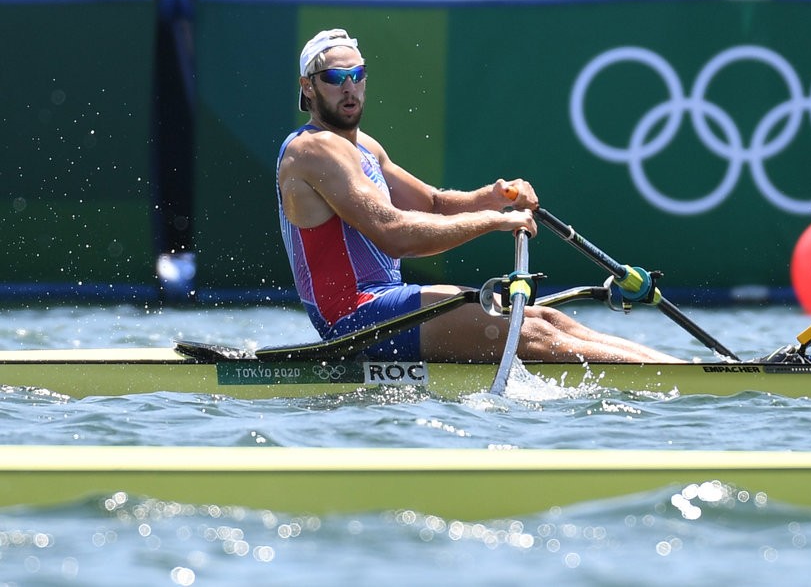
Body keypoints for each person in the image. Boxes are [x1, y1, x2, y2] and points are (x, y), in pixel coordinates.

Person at [277, 29, 682, 364]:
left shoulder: (366, 147)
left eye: (357, 74)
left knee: (551, 321)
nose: (349, 88)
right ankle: (691, 383)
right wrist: (494, 221)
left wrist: (492, 197)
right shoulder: (312, 150)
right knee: (532, 333)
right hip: (354, 319)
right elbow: (393, 233)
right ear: (308, 87)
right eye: (334, 78)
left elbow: (432, 203)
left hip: (384, 308)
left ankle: (689, 370)